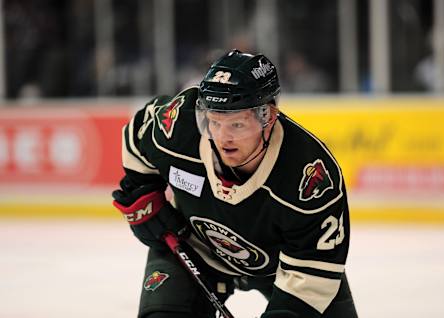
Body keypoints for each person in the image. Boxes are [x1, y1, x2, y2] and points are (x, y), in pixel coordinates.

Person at [112, 49, 357, 318]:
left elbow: (311, 277)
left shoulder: (309, 176)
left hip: (285, 268)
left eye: (237, 125)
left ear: (268, 116)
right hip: (193, 248)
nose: (222, 138)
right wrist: (142, 194)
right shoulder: (181, 125)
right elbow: (137, 136)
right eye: (214, 122)